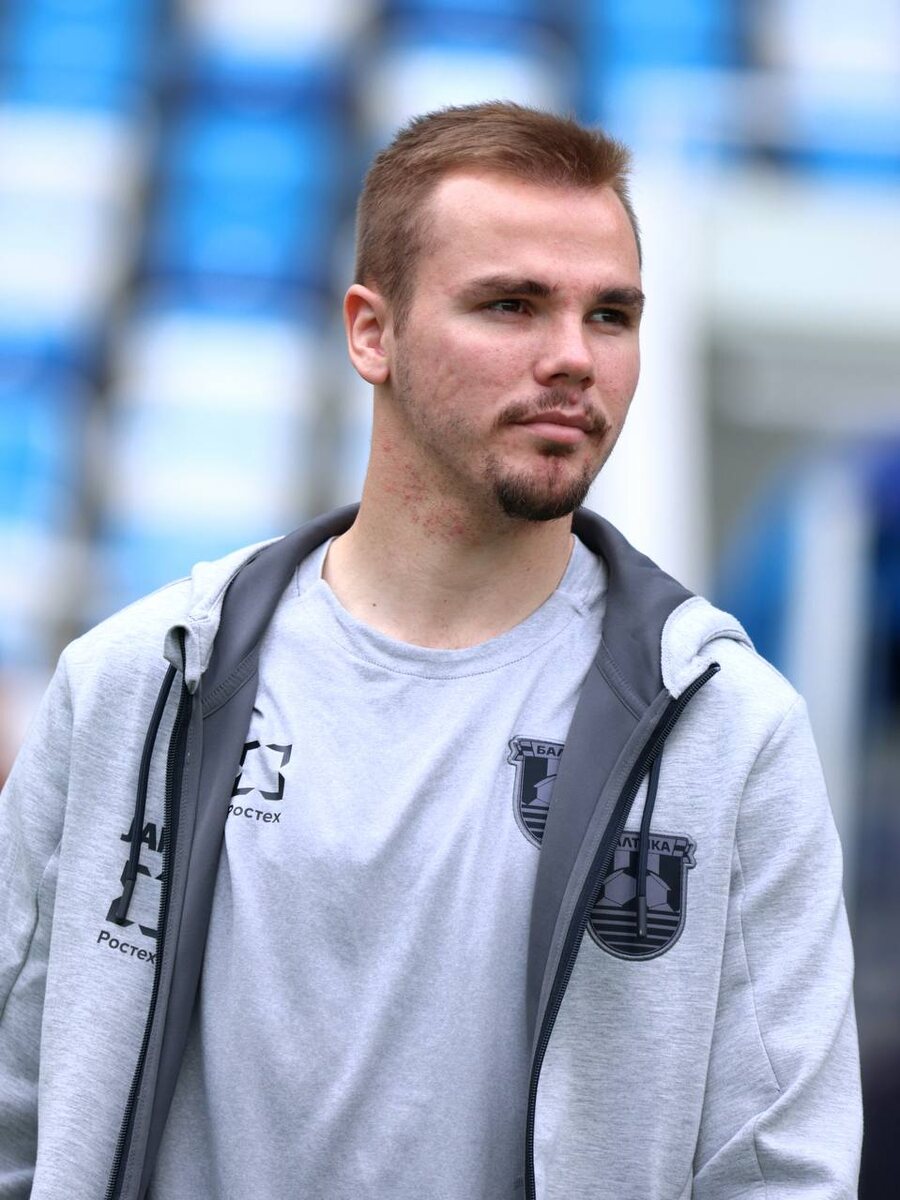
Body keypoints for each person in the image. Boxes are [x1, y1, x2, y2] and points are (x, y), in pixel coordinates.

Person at [0, 102, 861, 1200]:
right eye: (512, 305)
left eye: (610, 315)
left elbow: (782, 1171)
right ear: (372, 333)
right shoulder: (137, 687)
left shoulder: (730, 733)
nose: (572, 358)